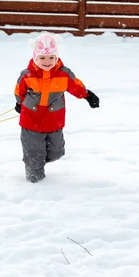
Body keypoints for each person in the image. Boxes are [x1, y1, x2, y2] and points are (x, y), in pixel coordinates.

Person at [14, 33, 99, 183]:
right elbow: (19, 91)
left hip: (54, 120)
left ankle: (38, 160)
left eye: (51, 58)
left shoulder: (63, 74)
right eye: (42, 58)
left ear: (56, 57)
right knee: (34, 154)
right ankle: (35, 180)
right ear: (35, 57)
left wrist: (87, 96)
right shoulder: (27, 75)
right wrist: (19, 104)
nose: (47, 62)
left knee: (56, 152)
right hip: (31, 121)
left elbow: (76, 86)